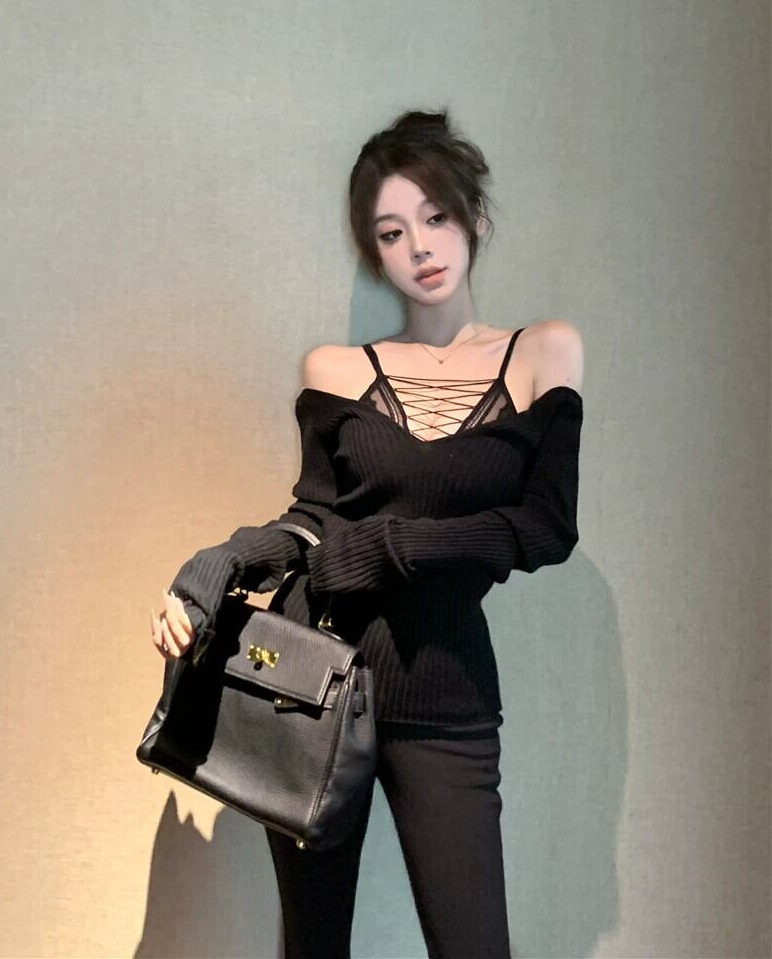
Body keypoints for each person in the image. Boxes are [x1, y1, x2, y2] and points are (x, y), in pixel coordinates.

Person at [149, 108, 584, 959]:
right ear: (373, 252)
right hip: (311, 686)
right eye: (391, 232)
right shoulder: (336, 371)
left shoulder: (544, 354)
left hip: (446, 693)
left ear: (474, 217)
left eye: (436, 216)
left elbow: (545, 527)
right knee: (314, 947)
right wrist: (222, 562)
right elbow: (312, 521)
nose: (419, 246)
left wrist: (392, 549)